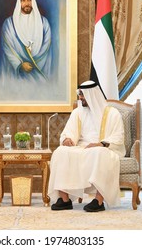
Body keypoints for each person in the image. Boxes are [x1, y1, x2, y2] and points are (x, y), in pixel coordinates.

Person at [48, 80, 126, 212]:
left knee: (99, 153)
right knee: (60, 151)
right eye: (80, 95)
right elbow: (68, 132)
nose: (80, 98)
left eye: (83, 95)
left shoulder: (112, 113)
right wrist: (67, 139)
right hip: (81, 147)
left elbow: (118, 135)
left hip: (104, 148)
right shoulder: (77, 112)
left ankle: (98, 201)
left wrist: (101, 143)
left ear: (92, 95)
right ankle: (64, 200)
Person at [0, 0, 53, 83]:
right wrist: (20, 64)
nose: (27, 3)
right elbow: (7, 47)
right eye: (23, 0)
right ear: (19, 3)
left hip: (39, 71)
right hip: (17, 75)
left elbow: (47, 46)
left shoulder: (44, 22)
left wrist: (35, 63)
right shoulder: (9, 23)